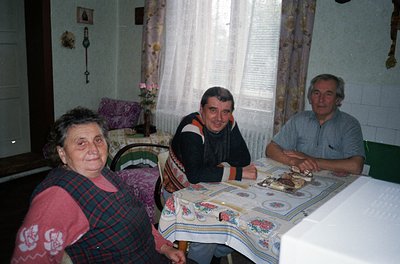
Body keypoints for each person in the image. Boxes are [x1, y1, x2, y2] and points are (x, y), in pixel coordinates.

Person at [11, 107, 188, 264]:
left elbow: (136, 217)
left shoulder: (104, 173)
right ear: (62, 153)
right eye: (81, 143)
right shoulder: (57, 197)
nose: (94, 149)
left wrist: (164, 247)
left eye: (98, 140)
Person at [162, 87, 257, 264]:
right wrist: (238, 172)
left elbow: (243, 157)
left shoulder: (229, 123)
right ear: (201, 109)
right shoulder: (191, 127)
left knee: (242, 224)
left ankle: (214, 254)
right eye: (213, 110)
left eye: (225, 112)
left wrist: (223, 168)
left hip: (212, 188)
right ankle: (203, 255)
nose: (219, 118)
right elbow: (195, 175)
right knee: (206, 237)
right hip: (179, 193)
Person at [266, 73, 365, 176]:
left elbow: (356, 166)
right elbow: (271, 149)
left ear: (337, 100)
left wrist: (309, 159)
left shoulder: (349, 124)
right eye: (316, 93)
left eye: (328, 94)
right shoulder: (299, 119)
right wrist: (294, 161)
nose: (321, 100)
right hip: (300, 179)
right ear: (310, 97)